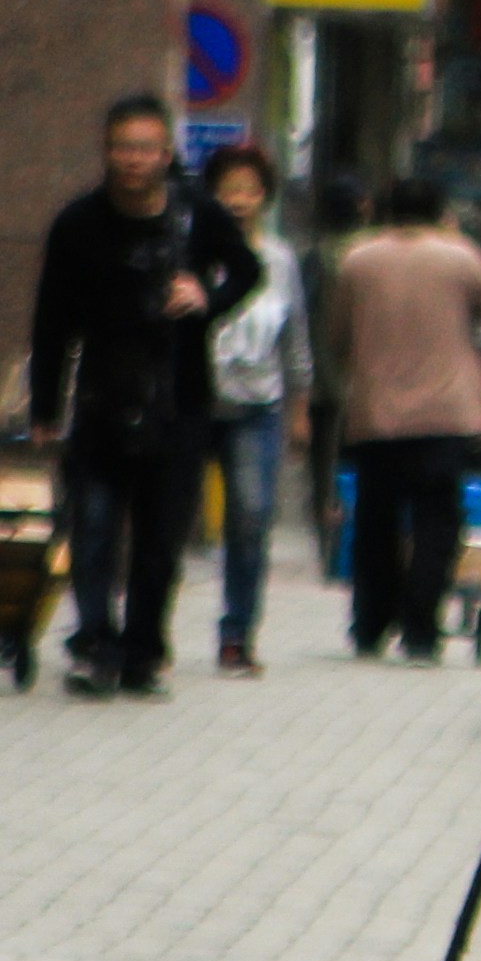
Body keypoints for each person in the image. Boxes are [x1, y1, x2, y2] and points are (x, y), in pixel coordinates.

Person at [29, 94, 257, 698]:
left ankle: (143, 650)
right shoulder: (78, 224)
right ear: (106, 152)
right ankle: (94, 642)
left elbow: (246, 269)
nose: (133, 161)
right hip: (102, 398)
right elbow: (51, 319)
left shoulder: (197, 216)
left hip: (178, 400)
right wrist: (46, 406)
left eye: (145, 149)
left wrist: (207, 298)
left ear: (166, 154)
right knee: (95, 527)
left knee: (159, 540)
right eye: (122, 148)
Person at [330, 175, 481, 661]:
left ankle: (370, 624)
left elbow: (337, 334)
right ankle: (421, 629)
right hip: (445, 415)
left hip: (377, 413)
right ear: (440, 211)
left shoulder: (357, 260)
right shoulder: (459, 257)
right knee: (437, 521)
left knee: (375, 521)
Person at [200, 146, 312, 678]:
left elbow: (295, 340)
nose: (239, 201)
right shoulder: (194, 249)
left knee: (249, 517)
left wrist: (299, 409)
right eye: (229, 189)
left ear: (265, 196)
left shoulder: (280, 259)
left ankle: (237, 633)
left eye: (250, 189)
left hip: (257, 406)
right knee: (167, 518)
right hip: (195, 399)